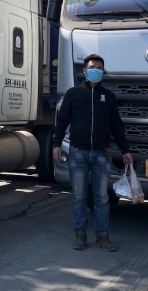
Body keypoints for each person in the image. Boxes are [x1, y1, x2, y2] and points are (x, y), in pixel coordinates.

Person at [52, 54, 133, 252]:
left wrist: (125, 150)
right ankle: (80, 234)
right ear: (84, 71)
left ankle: (102, 236)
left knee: (102, 198)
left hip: (101, 153)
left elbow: (117, 126)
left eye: (98, 68)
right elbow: (62, 121)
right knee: (78, 196)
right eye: (91, 67)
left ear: (103, 72)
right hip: (78, 152)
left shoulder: (109, 97)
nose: (95, 70)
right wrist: (56, 144)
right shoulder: (73, 94)